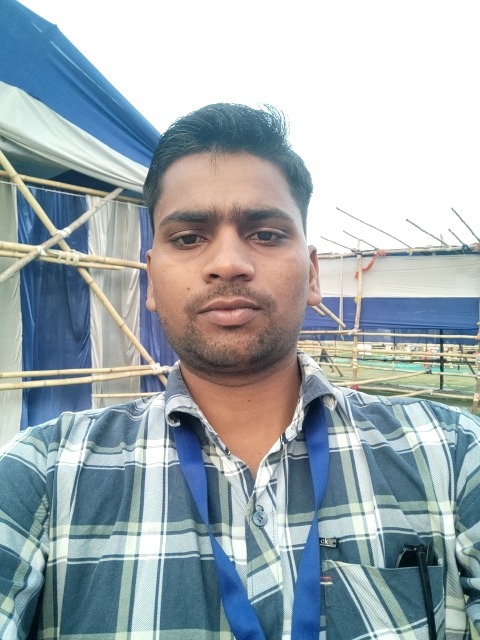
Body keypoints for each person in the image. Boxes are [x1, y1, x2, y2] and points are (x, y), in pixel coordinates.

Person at [0, 103, 479, 640]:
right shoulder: (43, 472)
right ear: (151, 281)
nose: (228, 262)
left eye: (266, 234)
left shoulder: (452, 454)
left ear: (313, 274)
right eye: (188, 238)